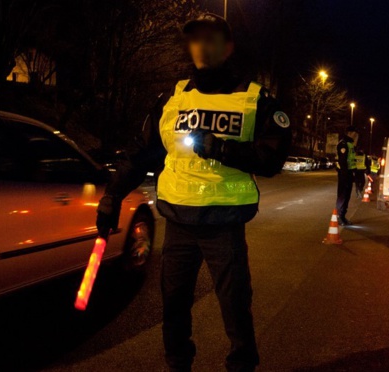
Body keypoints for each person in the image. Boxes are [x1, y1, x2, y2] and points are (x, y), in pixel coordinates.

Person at [95, 13, 291, 371]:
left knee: (235, 306)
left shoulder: (254, 98)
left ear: (227, 47)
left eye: (211, 38)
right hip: (179, 223)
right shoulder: (173, 97)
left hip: (224, 224)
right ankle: (177, 365)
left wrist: (224, 150)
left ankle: (241, 365)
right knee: (173, 306)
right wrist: (113, 195)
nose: (202, 45)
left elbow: (273, 157)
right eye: (195, 39)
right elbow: (144, 153)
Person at [335, 126, 359, 225]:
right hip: (344, 174)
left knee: (347, 196)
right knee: (342, 195)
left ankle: (343, 216)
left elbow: (352, 160)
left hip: (349, 174)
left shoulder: (350, 144)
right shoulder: (343, 144)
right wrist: (345, 175)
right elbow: (343, 161)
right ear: (349, 133)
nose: (355, 135)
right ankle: (339, 217)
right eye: (354, 133)